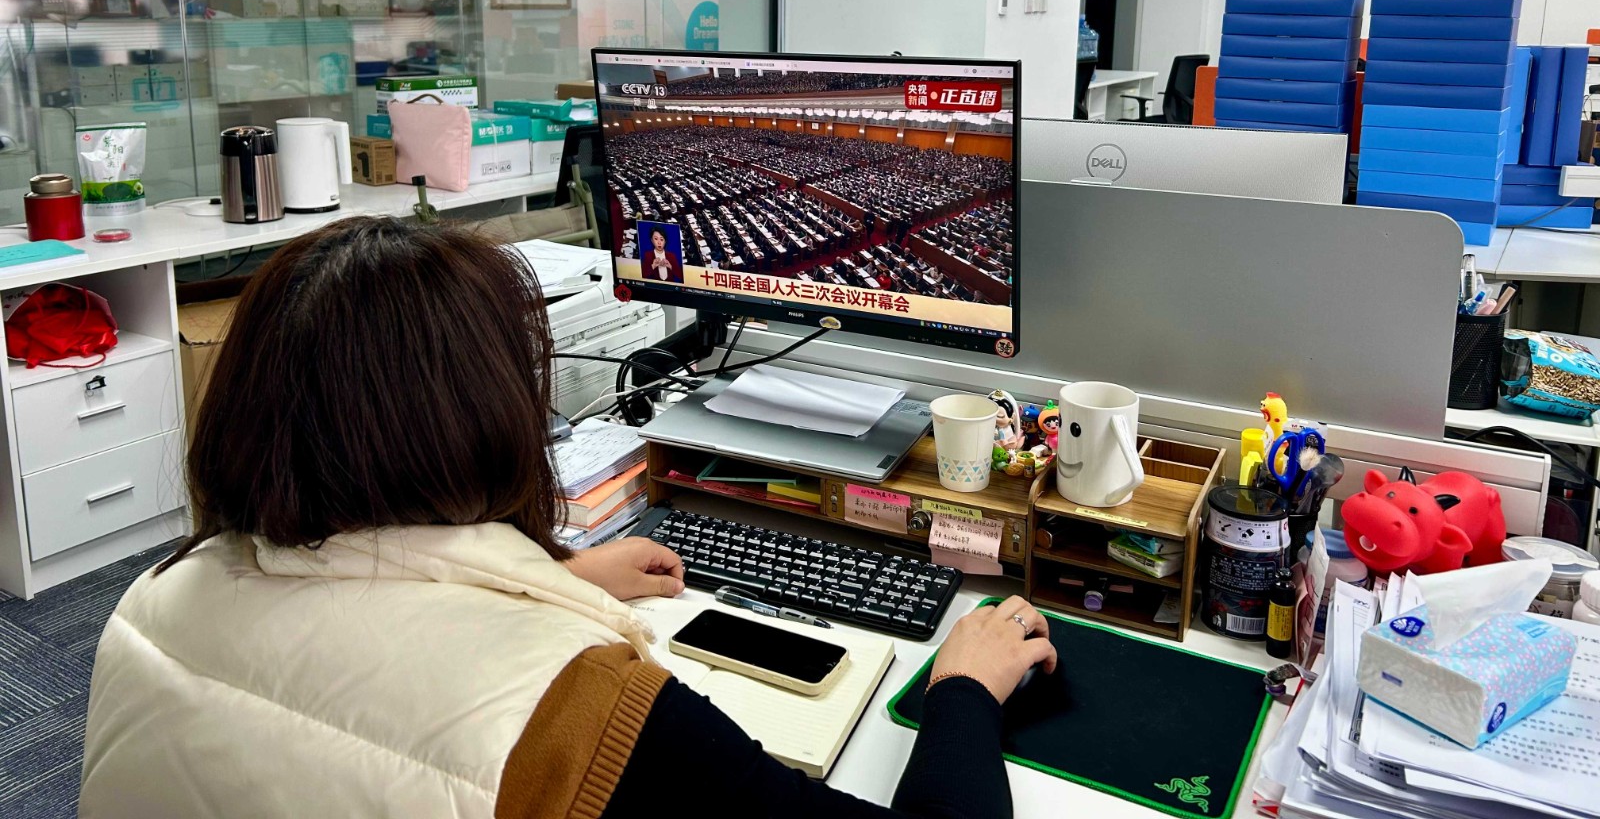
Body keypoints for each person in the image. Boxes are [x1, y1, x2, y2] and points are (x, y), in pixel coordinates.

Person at [78, 217, 1055, 818]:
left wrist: (543, 583)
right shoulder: (579, 715)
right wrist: (964, 689)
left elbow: (348, 631)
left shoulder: (153, 601)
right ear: (493, 416)